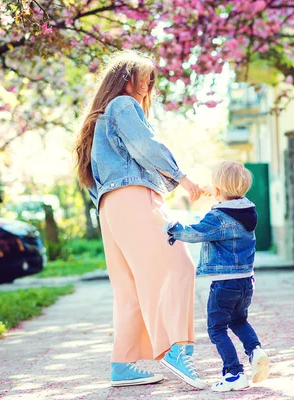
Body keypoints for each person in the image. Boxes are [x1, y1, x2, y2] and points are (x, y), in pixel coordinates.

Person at [73, 51, 206, 389]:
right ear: (125, 79)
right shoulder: (122, 105)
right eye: (144, 77)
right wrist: (182, 178)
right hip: (133, 198)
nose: (149, 84)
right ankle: (176, 348)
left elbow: (92, 177)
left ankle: (123, 364)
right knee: (179, 264)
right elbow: (145, 145)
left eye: (151, 79)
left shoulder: (100, 116)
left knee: (129, 288)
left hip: (110, 208)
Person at [155, 161, 270, 392]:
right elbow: (229, 195)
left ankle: (233, 373)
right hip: (246, 281)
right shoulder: (248, 210)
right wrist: (215, 189)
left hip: (224, 283)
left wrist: (171, 227)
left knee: (217, 329)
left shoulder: (218, 217)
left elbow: (195, 233)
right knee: (239, 320)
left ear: (219, 191)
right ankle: (255, 351)